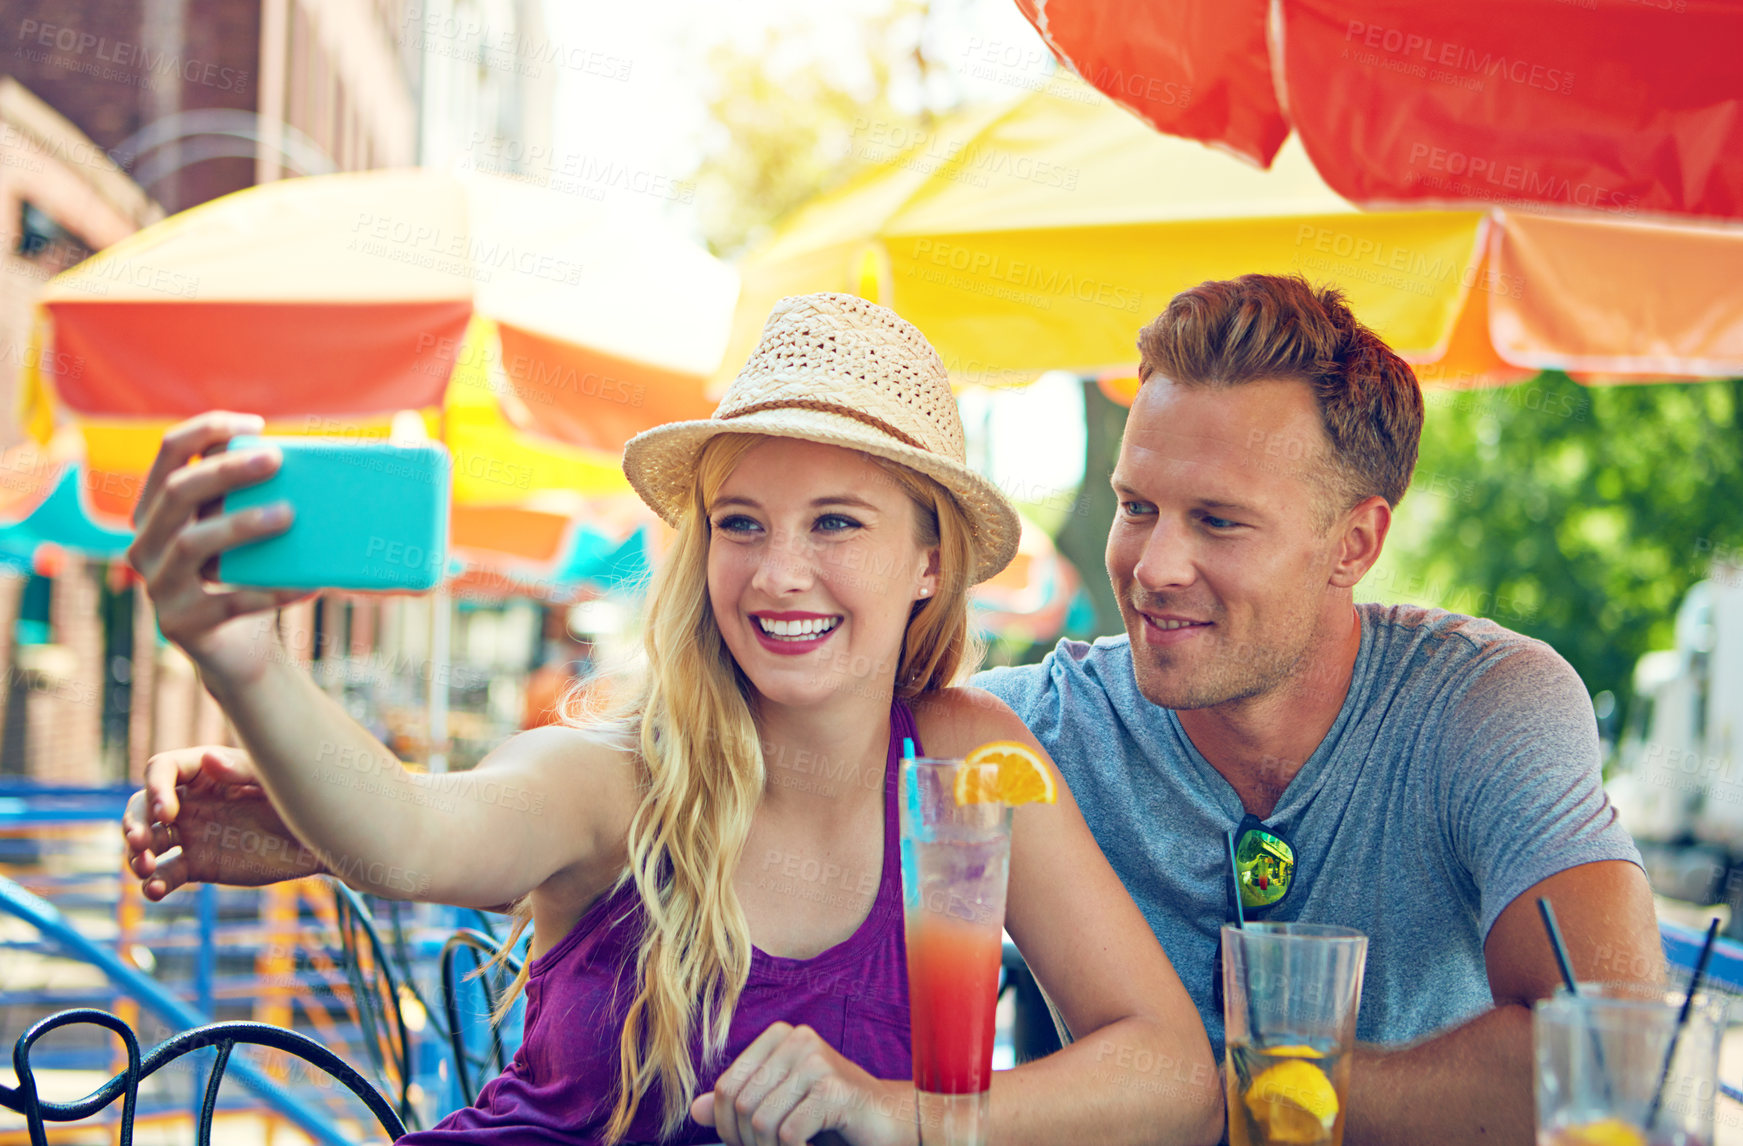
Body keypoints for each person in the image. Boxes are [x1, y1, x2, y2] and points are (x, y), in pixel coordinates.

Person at [122, 293, 1222, 1146]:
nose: (778, 574)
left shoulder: (970, 760)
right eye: (742, 523)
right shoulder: (619, 770)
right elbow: (414, 835)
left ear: (928, 560)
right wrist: (247, 659)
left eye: (835, 522)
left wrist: (900, 1112)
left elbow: (1177, 1080)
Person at [968, 274, 1662, 1145]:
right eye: (1136, 507)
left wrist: (1209, 1091)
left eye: (1217, 521)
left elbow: (1608, 1059)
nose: (1153, 567)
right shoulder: (1025, 733)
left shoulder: (1484, 703)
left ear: (1354, 543)